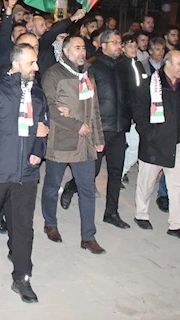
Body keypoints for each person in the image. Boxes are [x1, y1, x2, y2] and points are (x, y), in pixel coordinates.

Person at [0, 44, 48, 304]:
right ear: (16, 64)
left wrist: (38, 149)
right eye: (31, 63)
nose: (36, 67)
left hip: (27, 171)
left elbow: (44, 126)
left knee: (23, 226)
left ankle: (22, 277)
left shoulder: (37, 95)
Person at [41, 36, 107, 254]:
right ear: (65, 51)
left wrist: (98, 138)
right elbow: (49, 108)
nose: (82, 52)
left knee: (87, 189)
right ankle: (50, 223)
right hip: (61, 140)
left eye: (83, 48)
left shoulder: (87, 74)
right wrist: (75, 125)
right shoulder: (53, 74)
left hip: (85, 142)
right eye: (77, 48)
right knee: (52, 185)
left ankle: (88, 237)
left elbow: (94, 109)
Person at [62, 30, 131, 229]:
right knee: (92, 170)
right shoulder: (92, 67)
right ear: (104, 45)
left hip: (119, 127)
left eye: (120, 42)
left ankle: (111, 212)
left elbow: (130, 94)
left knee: (116, 172)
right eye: (115, 42)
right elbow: (84, 98)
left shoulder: (125, 66)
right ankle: (72, 185)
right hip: (99, 128)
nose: (119, 46)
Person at [132, 50, 180, 239]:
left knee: (179, 187)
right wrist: (150, 135)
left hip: (176, 144)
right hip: (154, 144)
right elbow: (140, 113)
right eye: (179, 64)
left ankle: (177, 225)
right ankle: (141, 214)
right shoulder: (150, 83)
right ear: (167, 64)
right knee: (146, 183)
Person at [120, 33, 148, 186]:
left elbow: (142, 90)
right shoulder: (122, 66)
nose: (133, 49)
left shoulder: (138, 65)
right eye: (129, 46)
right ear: (122, 48)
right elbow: (125, 93)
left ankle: (121, 171)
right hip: (128, 115)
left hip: (139, 114)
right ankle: (119, 173)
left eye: (135, 46)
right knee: (131, 145)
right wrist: (129, 114)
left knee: (135, 146)